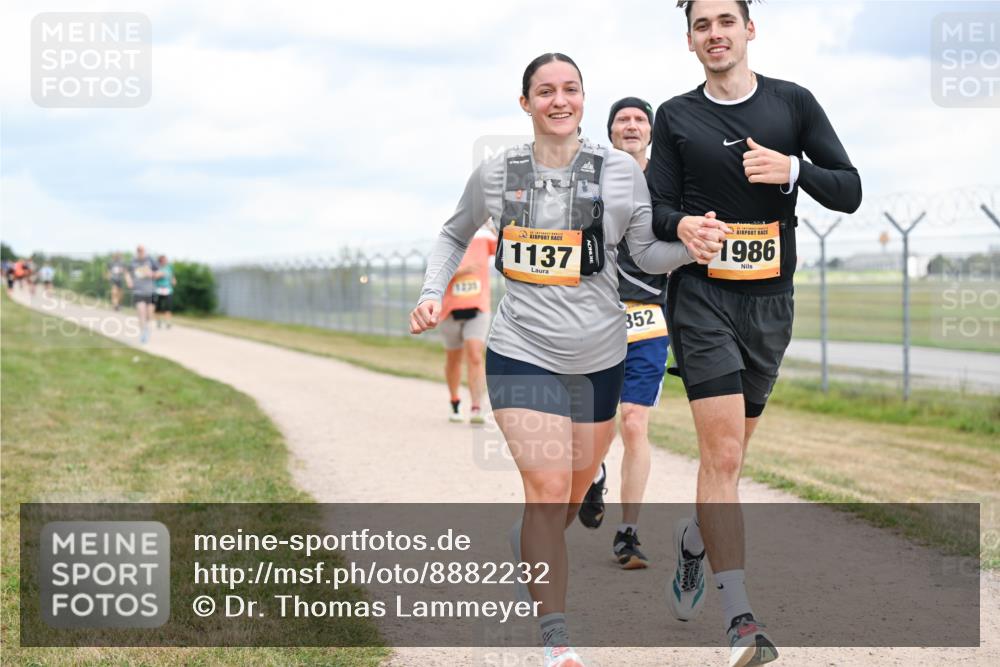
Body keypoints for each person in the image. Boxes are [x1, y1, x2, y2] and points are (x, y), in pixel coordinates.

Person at [410, 53, 722, 667]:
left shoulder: (618, 173)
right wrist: (430, 294)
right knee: (549, 485)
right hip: (521, 349)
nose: (560, 100)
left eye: (571, 89)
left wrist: (687, 248)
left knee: (569, 494)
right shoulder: (498, 172)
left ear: (583, 99)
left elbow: (644, 256)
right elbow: (452, 235)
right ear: (525, 103)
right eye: (545, 91)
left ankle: (535, 531)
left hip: (601, 354)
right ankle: (557, 640)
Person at [648, 2, 862, 665]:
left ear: (749, 30)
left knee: (732, 458)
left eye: (725, 21)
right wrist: (682, 227)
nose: (715, 33)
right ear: (689, 40)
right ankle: (740, 621)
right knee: (724, 459)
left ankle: (693, 541)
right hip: (702, 299)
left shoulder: (793, 105)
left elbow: (850, 190)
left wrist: (794, 170)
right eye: (702, 24)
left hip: (770, 306)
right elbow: (653, 208)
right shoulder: (676, 115)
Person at [577, 97, 669, 573]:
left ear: (650, 131)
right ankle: (593, 476)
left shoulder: (668, 181)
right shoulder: (592, 179)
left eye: (639, 120)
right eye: (622, 120)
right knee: (592, 427)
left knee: (633, 421)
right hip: (596, 317)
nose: (631, 126)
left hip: (649, 317)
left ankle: (628, 533)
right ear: (610, 131)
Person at [439, 222, 498, 424]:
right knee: (454, 359)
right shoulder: (447, 244)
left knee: (474, 355)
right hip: (450, 310)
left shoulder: (482, 242)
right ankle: (454, 401)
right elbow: (437, 275)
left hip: (478, 308)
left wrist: (493, 227)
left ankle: (476, 406)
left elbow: (506, 248)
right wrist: (462, 271)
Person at [125, 245, 158, 344]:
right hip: (138, 291)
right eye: (138, 251)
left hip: (151, 291)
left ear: (145, 251)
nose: (140, 252)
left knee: (149, 315)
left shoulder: (151, 260)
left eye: (142, 250)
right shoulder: (133, 261)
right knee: (141, 312)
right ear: (137, 251)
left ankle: (147, 328)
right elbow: (127, 272)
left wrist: (151, 274)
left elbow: (159, 273)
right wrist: (129, 281)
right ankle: (143, 332)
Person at [153, 254, 177, 329]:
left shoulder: (169, 268)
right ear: (160, 261)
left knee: (168, 307)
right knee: (158, 307)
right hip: (158, 290)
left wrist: (174, 281)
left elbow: (172, 276)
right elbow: (154, 276)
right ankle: (158, 321)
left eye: (166, 260)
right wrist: (159, 275)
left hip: (168, 290)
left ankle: (168, 322)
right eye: (163, 260)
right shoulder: (157, 267)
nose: (165, 261)